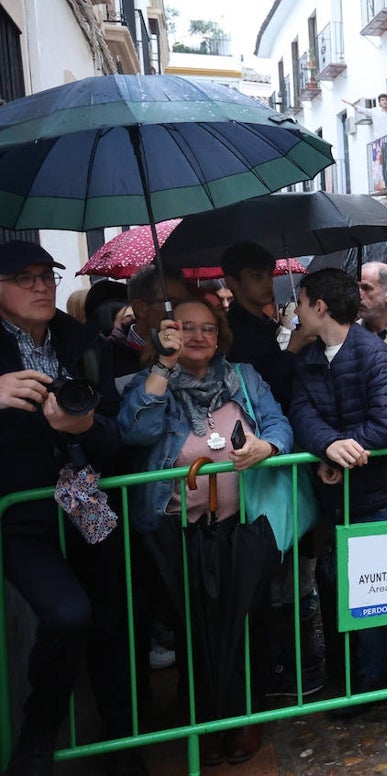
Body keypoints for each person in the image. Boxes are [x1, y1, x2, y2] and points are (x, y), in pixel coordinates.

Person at [117, 298, 292, 766]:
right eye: (186, 328)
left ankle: (243, 718)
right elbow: (134, 431)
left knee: (244, 622)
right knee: (191, 627)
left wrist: (266, 444)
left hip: (241, 525)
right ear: (169, 332)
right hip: (176, 529)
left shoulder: (245, 378)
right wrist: (163, 364)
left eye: (208, 329)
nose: (198, 337)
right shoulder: (152, 381)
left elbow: (278, 422)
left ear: (221, 336)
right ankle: (203, 721)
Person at [0, 241, 143, 776]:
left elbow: (113, 431)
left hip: (87, 503)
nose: (40, 286)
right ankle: (39, 732)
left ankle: (123, 741)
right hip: (21, 513)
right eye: (24, 277)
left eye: (47, 275)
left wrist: (83, 426)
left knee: (116, 622)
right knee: (68, 614)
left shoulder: (82, 342)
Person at [287, 269, 387, 742]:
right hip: (338, 503)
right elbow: (301, 414)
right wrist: (329, 448)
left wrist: (343, 451)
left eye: (300, 301)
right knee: (357, 599)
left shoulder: (370, 352)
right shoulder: (308, 359)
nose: (295, 310)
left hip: (380, 499)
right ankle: (371, 682)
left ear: (319, 306)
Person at [222, 242, 312, 411]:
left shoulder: (265, 324)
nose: (267, 283)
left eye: (269, 275)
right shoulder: (232, 332)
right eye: (256, 276)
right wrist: (292, 349)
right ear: (232, 282)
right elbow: (261, 388)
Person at [110, 265, 192, 385]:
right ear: (141, 308)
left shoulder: (195, 348)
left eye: (186, 302)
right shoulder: (112, 358)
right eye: (173, 303)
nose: (183, 311)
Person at [343, 94, 387, 189]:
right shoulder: (375, 111)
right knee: (383, 163)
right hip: (381, 141)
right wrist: (352, 105)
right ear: (379, 102)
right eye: (382, 100)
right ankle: (386, 184)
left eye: (386, 100)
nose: (384, 102)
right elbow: (363, 110)